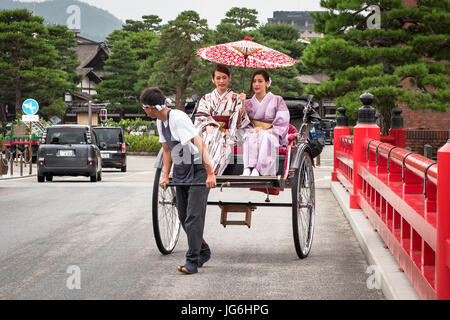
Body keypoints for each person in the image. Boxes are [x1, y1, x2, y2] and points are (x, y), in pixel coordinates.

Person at [140, 87, 216, 275]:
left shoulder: (178, 118)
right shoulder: (161, 121)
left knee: (193, 216)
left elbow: (200, 144)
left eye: (144, 107)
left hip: (198, 168)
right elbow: (167, 150)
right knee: (183, 216)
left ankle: (192, 261)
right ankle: (203, 251)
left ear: (151, 107)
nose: (144, 111)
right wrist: (166, 175)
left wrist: (210, 173)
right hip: (182, 169)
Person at [194, 64, 250, 175]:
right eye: (218, 78)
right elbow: (201, 117)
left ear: (229, 78)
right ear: (213, 79)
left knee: (221, 141)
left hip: (229, 133)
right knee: (211, 136)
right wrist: (208, 125)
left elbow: (240, 123)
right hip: (209, 131)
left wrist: (242, 104)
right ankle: (202, 171)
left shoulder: (236, 97)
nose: (221, 81)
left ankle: (210, 172)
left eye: (224, 78)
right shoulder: (206, 98)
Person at [241, 70, 290, 176]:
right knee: (250, 136)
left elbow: (283, 120)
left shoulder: (277, 100)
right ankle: (247, 168)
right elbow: (243, 122)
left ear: (267, 83)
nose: (256, 84)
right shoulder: (248, 103)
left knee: (266, 137)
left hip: (272, 133)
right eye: (254, 81)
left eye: (260, 81)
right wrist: (242, 105)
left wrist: (269, 130)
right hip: (255, 131)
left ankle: (257, 169)